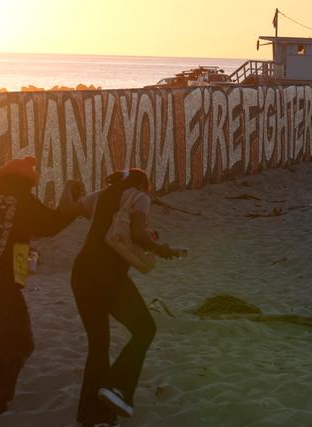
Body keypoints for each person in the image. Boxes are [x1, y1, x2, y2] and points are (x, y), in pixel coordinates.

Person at [0, 156, 83, 424]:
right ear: (24, 182)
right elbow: (49, 225)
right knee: (20, 342)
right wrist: (72, 206)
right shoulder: (18, 199)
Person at [71, 169, 181, 427]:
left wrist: (69, 188)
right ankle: (116, 387)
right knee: (145, 329)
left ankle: (93, 417)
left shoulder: (99, 196)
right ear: (144, 184)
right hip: (108, 276)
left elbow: (68, 208)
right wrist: (160, 249)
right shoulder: (139, 196)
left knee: (98, 345)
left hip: (81, 272)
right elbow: (140, 233)